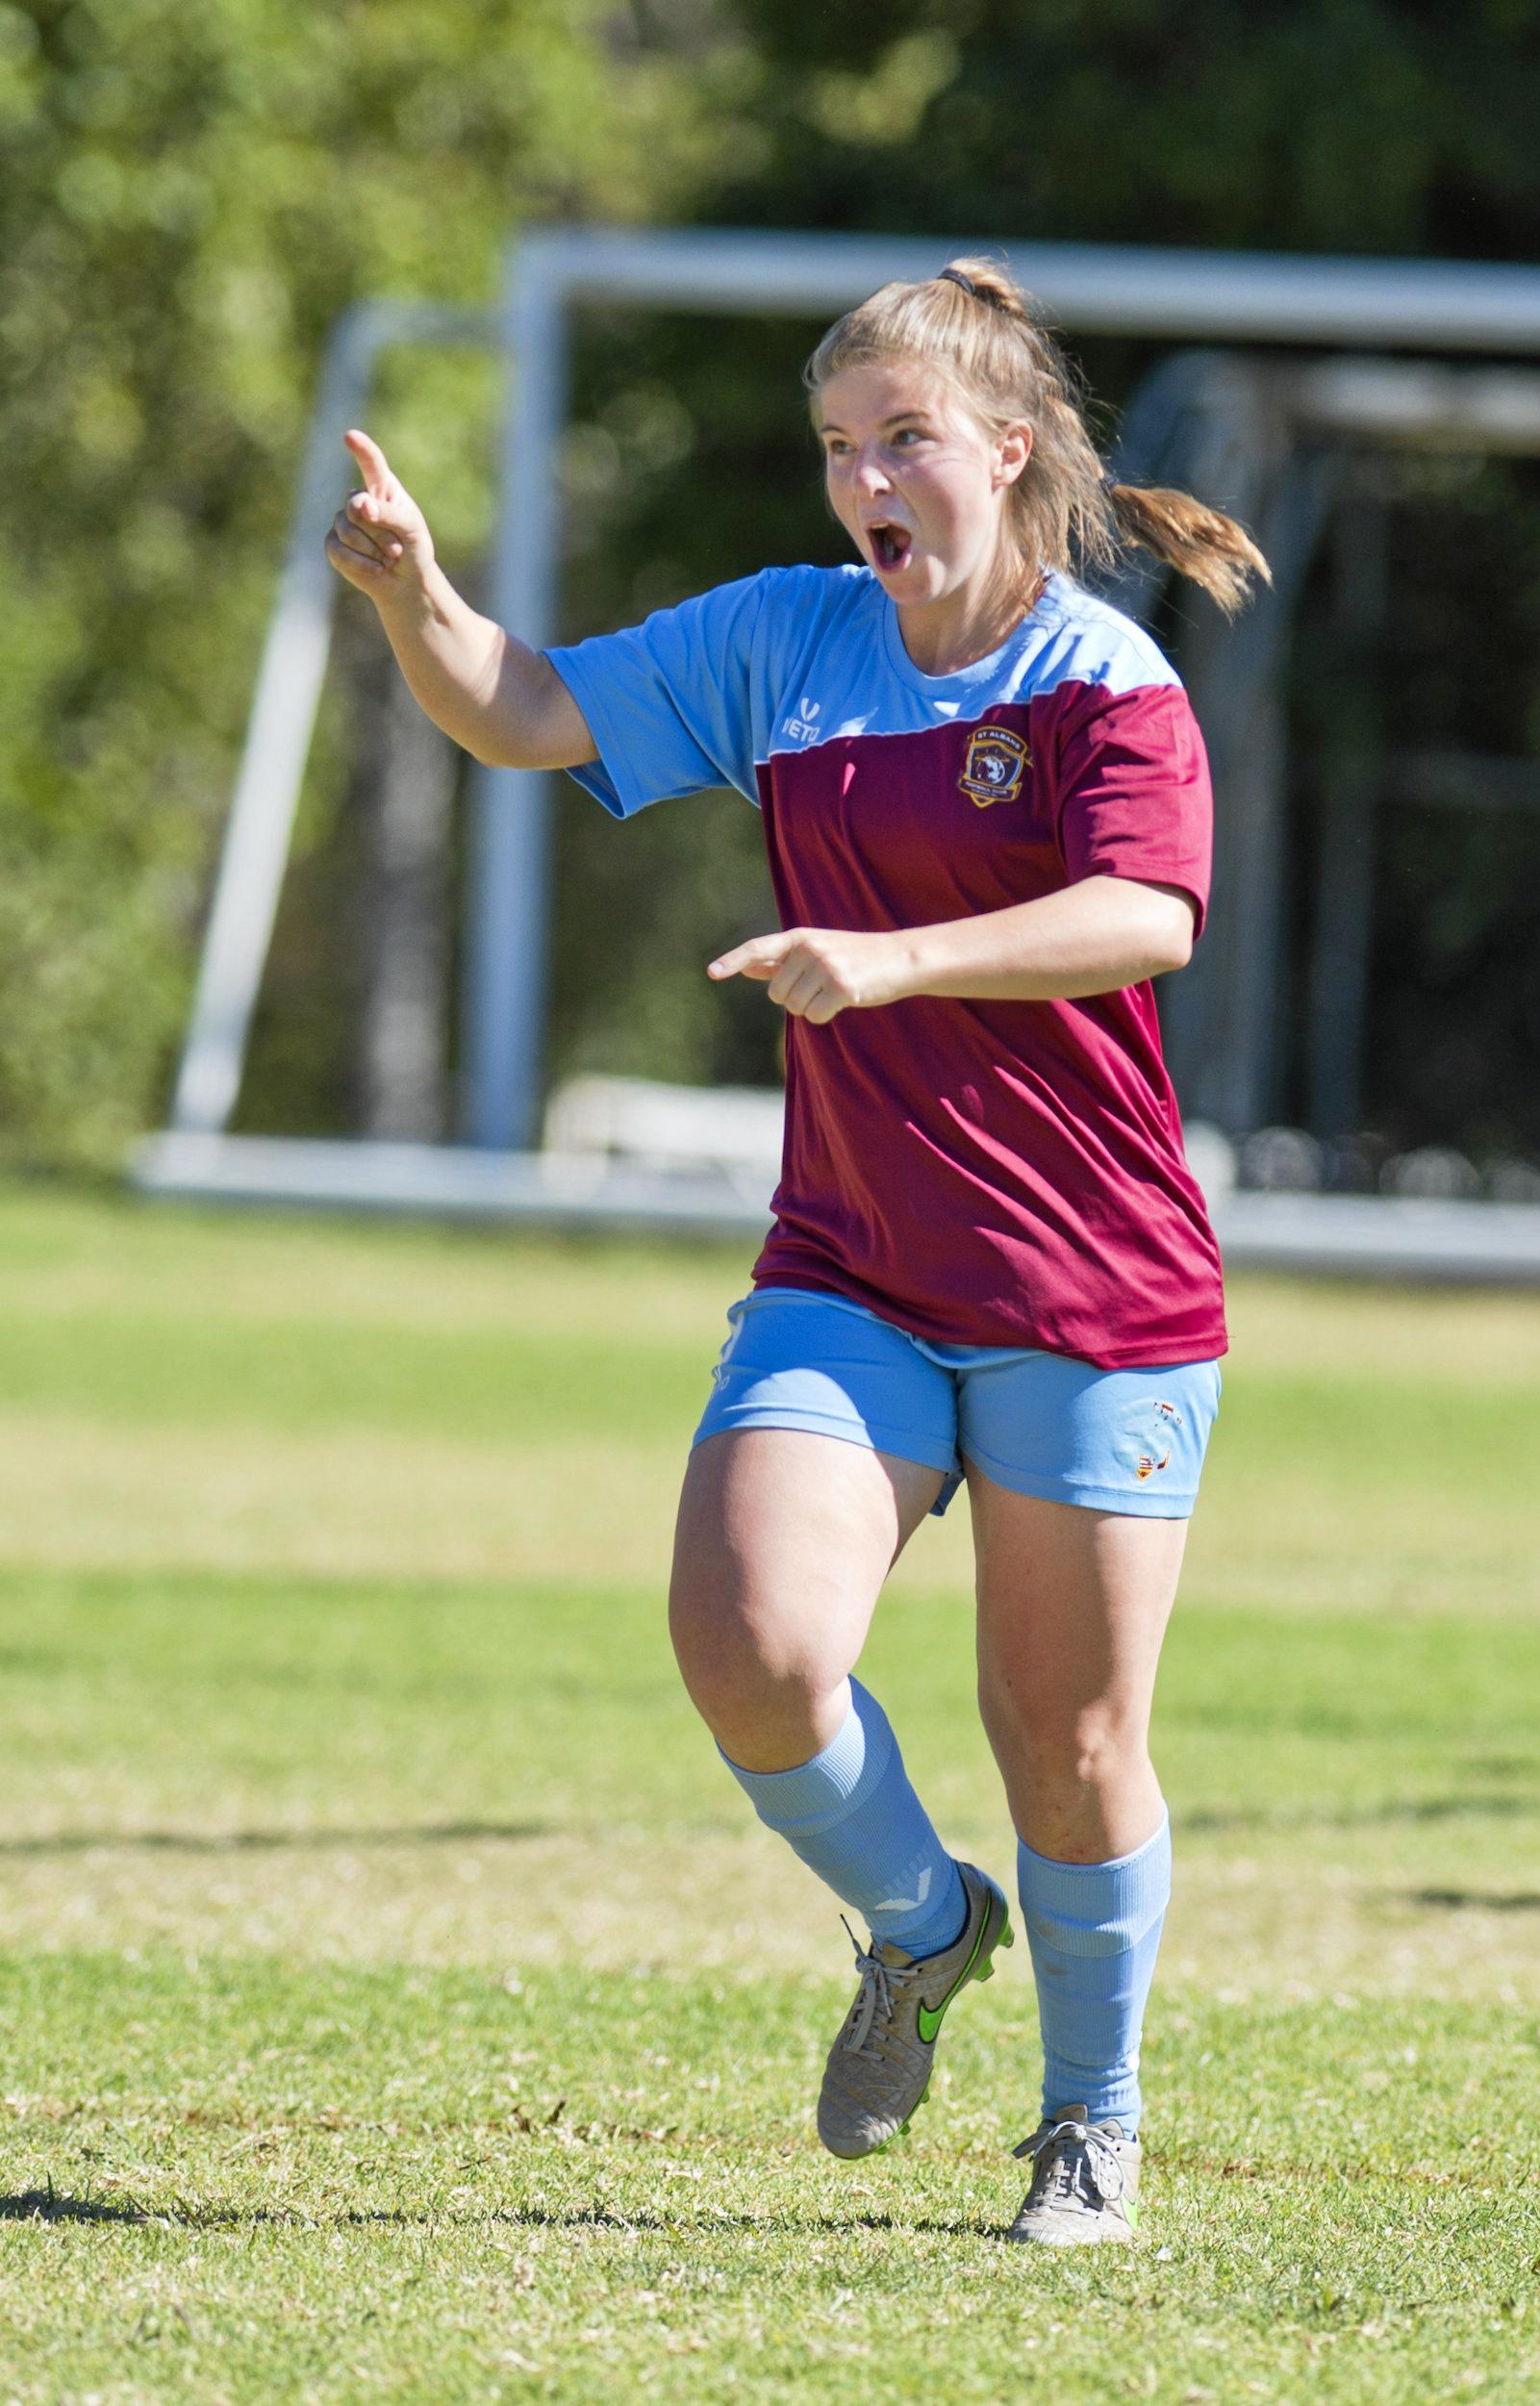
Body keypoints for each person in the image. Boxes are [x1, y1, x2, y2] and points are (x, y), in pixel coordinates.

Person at [325, 255, 1267, 2247]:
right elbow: (537, 709)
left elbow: (1146, 917)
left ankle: (1086, 2126)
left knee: (1073, 1745)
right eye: (840, 450)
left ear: (1009, 452)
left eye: (903, 440)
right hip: (851, 1261)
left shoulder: (1105, 677)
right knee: (751, 1649)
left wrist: (898, 960)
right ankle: (923, 1930)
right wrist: (418, 595)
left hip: (1091, 1294)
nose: (867, 484)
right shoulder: (790, 639)